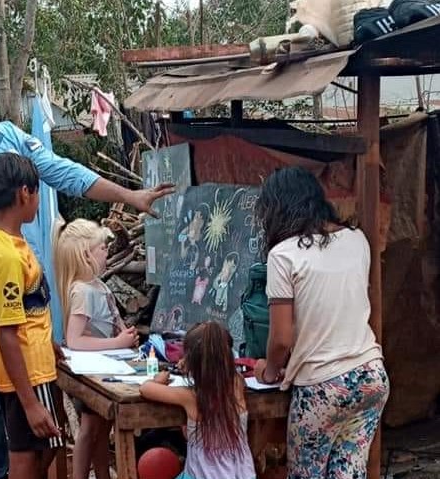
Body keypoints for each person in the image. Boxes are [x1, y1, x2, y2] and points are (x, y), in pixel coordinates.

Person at [0, 69, 173, 479]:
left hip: (25, 300)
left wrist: (129, 195)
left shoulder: (12, 140)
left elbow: (66, 173)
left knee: (31, 405)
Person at [253, 166, 389, 479]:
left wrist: (270, 370)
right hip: (371, 376)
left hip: (324, 387)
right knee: (349, 474)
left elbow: (282, 339)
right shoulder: (357, 240)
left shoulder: (282, 255)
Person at [0, 152, 61, 479]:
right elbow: (8, 330)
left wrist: (49, 341)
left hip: (21, 362)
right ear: (25, 193)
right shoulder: (7, 257)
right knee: (32, 446)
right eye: (36, 193)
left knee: (39, 444)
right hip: (28, 370)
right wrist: (31, 402)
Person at [54, 218, 139, 479]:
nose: (106, 252)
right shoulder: (82, 291)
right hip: (92, 372)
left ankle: (102, 474)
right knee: (90, 429)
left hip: (106, 367)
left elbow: (112, 322)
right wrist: (118, 342)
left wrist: (125, 335)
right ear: (85, 255)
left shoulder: (98, 286)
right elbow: (75, 339)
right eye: (102, 248)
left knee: (101, 429)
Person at [140, 321, 256, 479]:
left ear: (193, 362)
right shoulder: (237, 383)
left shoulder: (190, 397)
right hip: (243, 475)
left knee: (153, 464)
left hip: (201, 475)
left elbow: (145, 388)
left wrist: (158, 379)